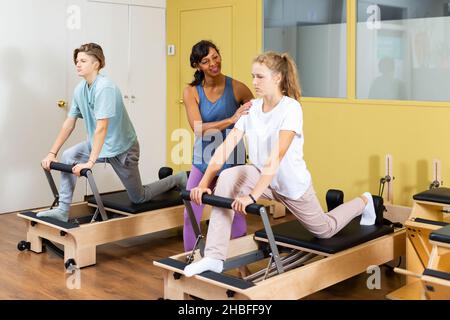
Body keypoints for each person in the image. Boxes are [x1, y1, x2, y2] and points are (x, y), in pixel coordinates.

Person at [183, 51, 377, 277]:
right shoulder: (252, 108)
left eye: (260, 77)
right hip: (262, 179)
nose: (253, 82)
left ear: (277, 78)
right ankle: (214, 257)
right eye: (252, 76)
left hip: (291, 185)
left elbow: (276, 156)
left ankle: (364, 201)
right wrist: (204, 183)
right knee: (228, 177)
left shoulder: (291, 109)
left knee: (325, 230)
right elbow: (225, 148)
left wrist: (252, 196)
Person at [38, 43, 187, 222]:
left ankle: (177, 179)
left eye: (83, 60)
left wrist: (90, 162)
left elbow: (102, 127)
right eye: (77, 61)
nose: (78, 64)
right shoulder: (80, 90)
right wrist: (52, 153)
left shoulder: (105, 87)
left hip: (123, 148)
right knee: (69, 155)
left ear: (97, 63)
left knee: (138, 197)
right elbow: (69, 123)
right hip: (98, 145)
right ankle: (62, 210)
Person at [181, 40, 254, 251]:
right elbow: (198, 129)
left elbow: (256, 117)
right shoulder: (192, 92)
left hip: (232, 162)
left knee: (236, 215)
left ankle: (241, 265)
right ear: (197, 66)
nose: (213, 63)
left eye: (215, 57)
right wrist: (231, 119)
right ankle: (190, 259)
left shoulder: (238, 88)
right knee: (190, 215)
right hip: (203, 161)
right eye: (205, 61)